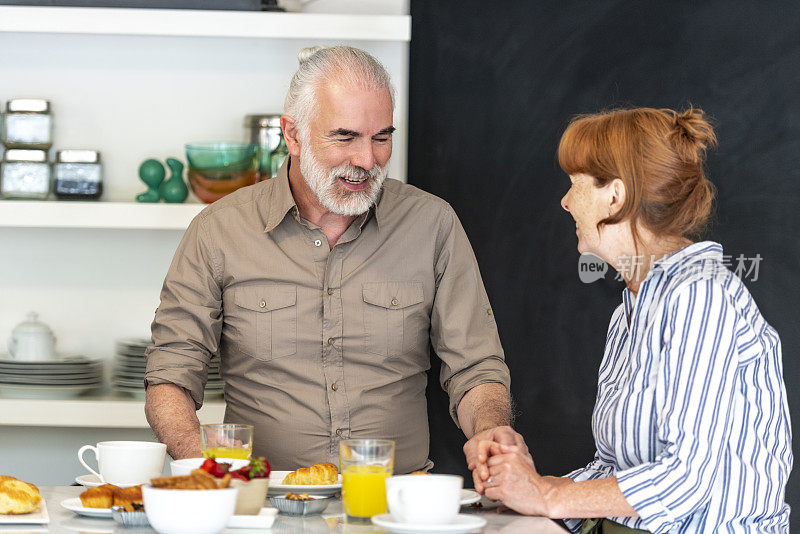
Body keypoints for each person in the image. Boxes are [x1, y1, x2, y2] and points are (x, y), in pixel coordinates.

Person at [143, 45, 516, 474]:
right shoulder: (218, 231)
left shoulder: (432, 224)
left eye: (382, 137)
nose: (367, 160)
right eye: (345, 137)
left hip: (394, 499)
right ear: (293, 134)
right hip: (263, 498)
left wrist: (490, 430)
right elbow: (171, 372)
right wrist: (204, 467)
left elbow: (475, 367)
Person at [469, 107, 792, 533]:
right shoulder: (632, 310)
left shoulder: (701, 294)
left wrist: (546, 496)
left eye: (575, 184)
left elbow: (686, 479)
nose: (565, 202)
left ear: (615, 196)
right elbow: (616, 468)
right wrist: (527, 487)